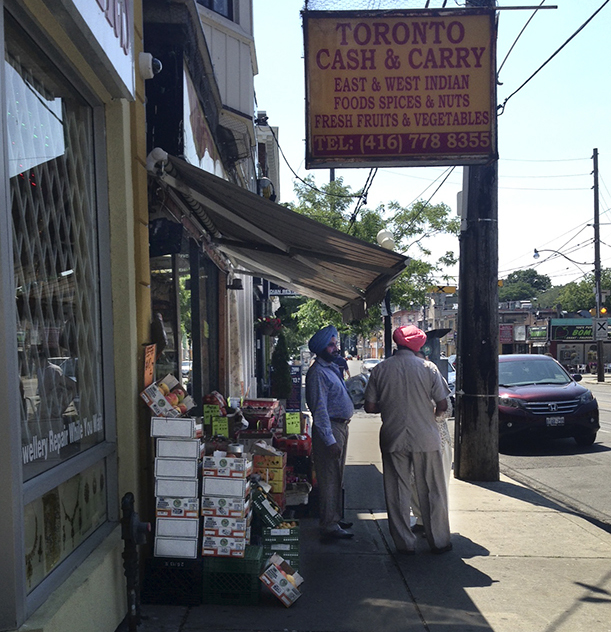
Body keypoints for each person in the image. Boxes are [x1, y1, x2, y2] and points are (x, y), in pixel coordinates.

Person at [364, 325, 452, 555]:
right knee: (432, 489)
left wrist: (392, 406)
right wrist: (429, 416)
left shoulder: (380, 369)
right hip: (426, 437)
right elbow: (443, 405)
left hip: (393, 436)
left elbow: (370, 406)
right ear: (418, 345)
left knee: (397, 492)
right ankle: (439, 540)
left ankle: (404, 543)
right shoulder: (428, 368)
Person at [305, 325, 355, 540]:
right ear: (321, 348)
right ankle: (329, 524)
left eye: (336, 344)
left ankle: (334, 517)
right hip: (331, 428)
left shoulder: (330, 368)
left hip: (341, 426)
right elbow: (320, 409)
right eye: (331, 345)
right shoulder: (317, 373)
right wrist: (329, 439)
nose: (335, 348)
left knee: (337, 476)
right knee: (329, 478)